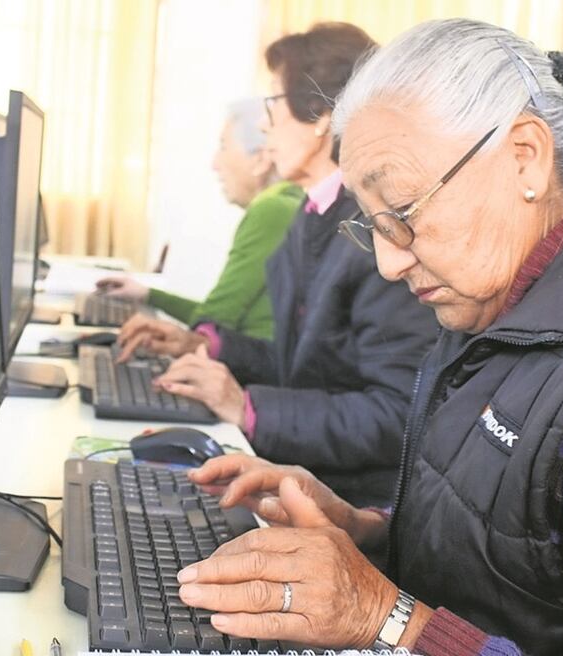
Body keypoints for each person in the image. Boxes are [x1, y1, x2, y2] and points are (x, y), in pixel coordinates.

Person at [172, 18, 563, 656]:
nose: (388, 263)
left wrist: (387, 619)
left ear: (525, 155)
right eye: (373, 226)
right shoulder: (509, 296)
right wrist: (362, 534)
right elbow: (518, 557)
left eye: (403, 214)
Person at [118, 23, 439, 507]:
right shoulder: (313, 214)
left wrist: (247, 407)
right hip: (306, 474)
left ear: (321, 119)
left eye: (272, 103)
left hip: (354, 506)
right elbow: (305, 369)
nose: (263, 124)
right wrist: (208, 344)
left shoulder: (376, 234)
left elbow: (397, 415)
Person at [96, 98, 302, 340]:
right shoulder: (290, 202)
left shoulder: (272, 209)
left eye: (224, 146)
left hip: (248, 371)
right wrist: (148, 295)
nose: (215, 164)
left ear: (260, 159)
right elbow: (217, 318)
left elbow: (214, 320)